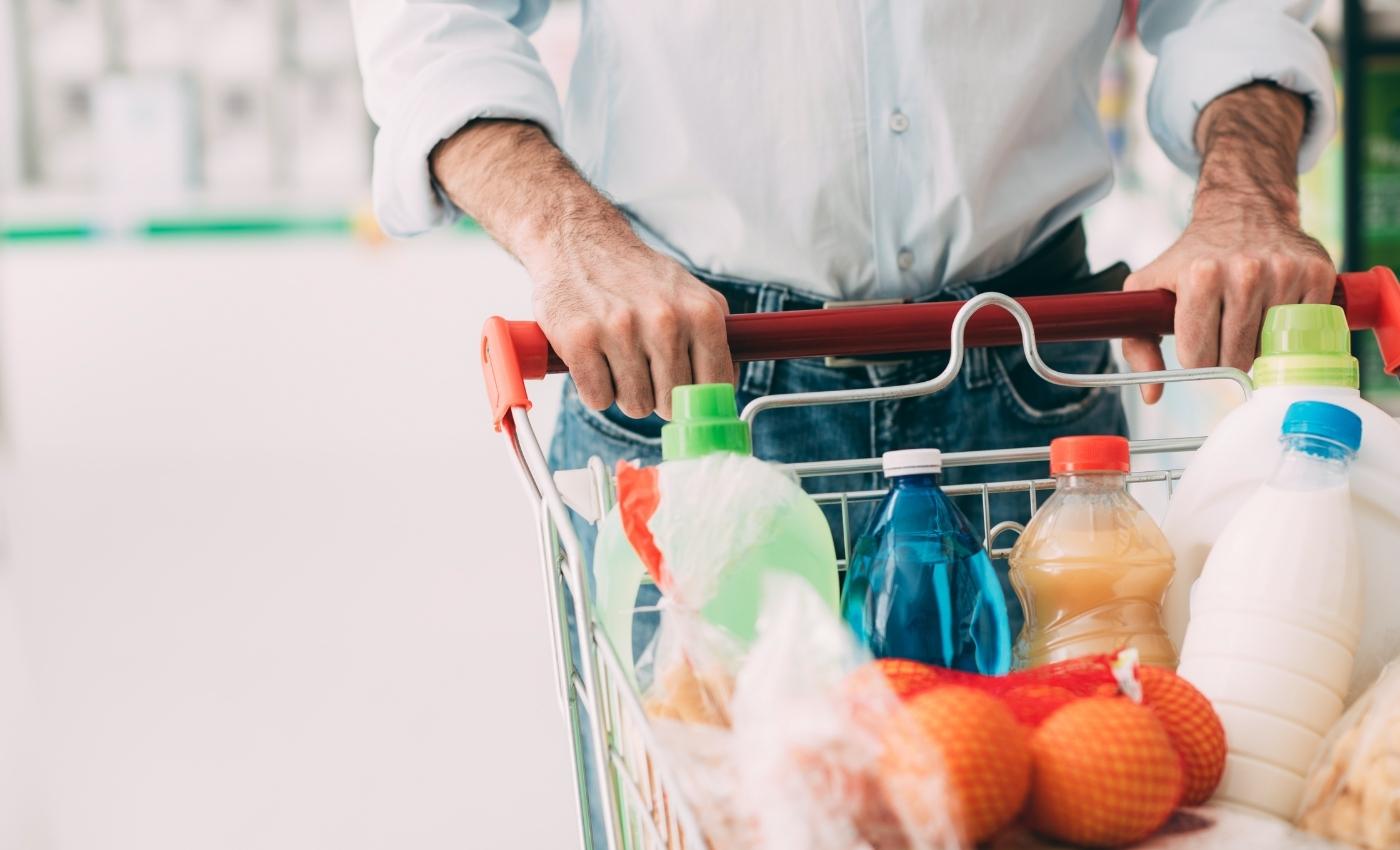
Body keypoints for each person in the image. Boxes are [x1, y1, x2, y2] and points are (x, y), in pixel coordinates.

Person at [352, 0, 1336, 842]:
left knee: (1078, 805)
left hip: (1031, 382)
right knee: (713, 819)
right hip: (693, 391)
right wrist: (566, 234)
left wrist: (1246, 192)